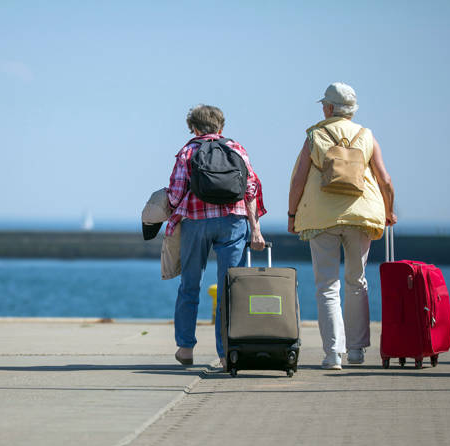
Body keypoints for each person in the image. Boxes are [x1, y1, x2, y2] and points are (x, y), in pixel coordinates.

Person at [287, 82, 396, 370]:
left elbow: (298, 179)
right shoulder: (366, 136)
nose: (323, 108)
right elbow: (384, 179)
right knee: (356, 282)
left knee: (327, 285)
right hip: (360, 216)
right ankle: (357, 351)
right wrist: (389, 210)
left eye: (325, 104)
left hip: (322, 217)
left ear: (331, 108)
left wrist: (292, 215)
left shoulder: (315, 135)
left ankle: (333, 354)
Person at [167, 104, 266, 369]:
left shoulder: (188, 151)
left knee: (190, 285)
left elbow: (176, 195)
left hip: (196, 223)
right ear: (221, 127)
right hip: (233, 223)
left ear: (194, 127)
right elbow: (251, 188)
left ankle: (186, 349)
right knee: (229, 289)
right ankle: (226, 354)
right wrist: (255, 227)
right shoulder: (236, 148)